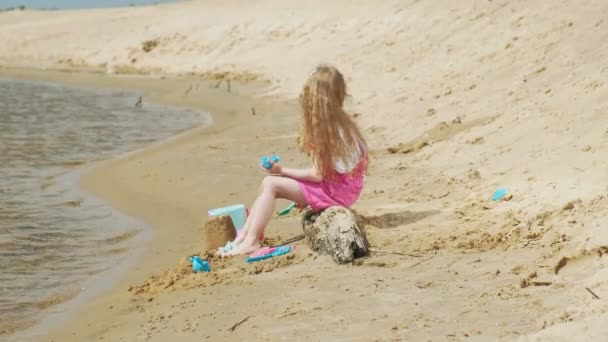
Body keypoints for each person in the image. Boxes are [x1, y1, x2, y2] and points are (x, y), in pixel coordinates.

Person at [222, 65, 368, 256]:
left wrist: (281, 171)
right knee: (269, 184)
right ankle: (245, 236)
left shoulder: (325, 131)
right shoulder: (343, 123)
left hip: (336, 191)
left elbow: (317, 175)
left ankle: (251, 240)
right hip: (348, 187)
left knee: (271, 184)